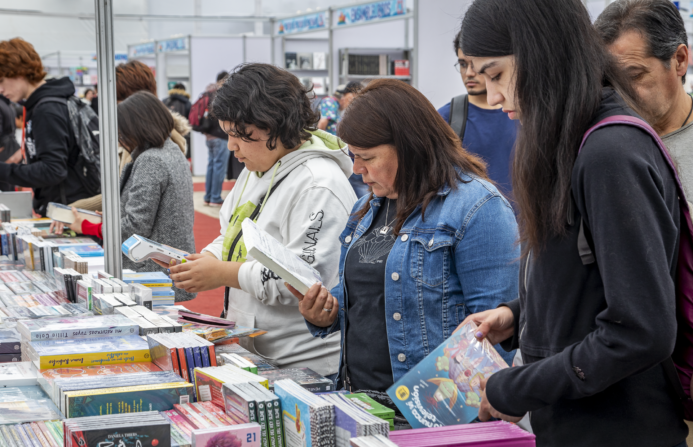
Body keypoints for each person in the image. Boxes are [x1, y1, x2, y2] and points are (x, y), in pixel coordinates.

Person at [456, 0, 688, 447]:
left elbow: (640, 328)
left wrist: (512, 389)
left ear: (541, 53)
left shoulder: (610, 151)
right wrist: (516, 315)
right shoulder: (573, 139)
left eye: (497, 76)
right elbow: (590, 279)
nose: (493, 98)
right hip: (574, 444)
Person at [289, 79, 518, 406]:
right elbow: (367, 293)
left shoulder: (477, 207)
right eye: (353, 156)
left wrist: (443, 414)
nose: (357, 169)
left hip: (430, 412)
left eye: (366, 156)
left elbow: (493, 335)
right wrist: (326, 313)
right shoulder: (366, 208)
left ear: (409, 145)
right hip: (360, 401)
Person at [163, 63, 358, 377]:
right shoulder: (259, 167)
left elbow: (304, 282)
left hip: (303, 364)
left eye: (243, 135)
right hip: (254, 350)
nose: (232, 147)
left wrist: (221, 273)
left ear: (278, 125)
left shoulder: (318, 184)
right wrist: (208, 258)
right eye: (227, 134)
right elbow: (233, 233)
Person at [595, 3, 693, 447]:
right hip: (630, 400)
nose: (623, 92)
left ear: (679, 60)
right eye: (610, 78)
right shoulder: (602, 146)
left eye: (635, 75)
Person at [55, 92, 195, 302]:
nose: (121, 139)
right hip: (162, 267)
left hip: (150, 272)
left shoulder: (151, 160)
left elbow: (135, 227)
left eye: (123, 132)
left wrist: (86, 226)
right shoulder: (170, 151)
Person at [0, 38, 92, 215]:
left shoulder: (47, 109)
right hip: (64, 209)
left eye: (1, 81)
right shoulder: (44, 104)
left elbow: (53, 170)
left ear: (19, 73)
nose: (0, 90)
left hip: (67, 213)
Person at [68, 61, 191, 212]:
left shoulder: (155, 147)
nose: (114, 107)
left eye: (118, 100)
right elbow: (124, 194)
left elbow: (137, 216)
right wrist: (75, 209)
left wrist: (95, 223)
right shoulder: (138, 139)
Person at [437, 31, 518, 201]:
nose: (469, 73)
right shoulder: (445, 119)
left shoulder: (523, 115)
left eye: (475, 64)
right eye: (463, 64)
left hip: (526, 224)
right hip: (470, 224)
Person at [193, 71, 230, 207]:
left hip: (209, 137)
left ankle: (208, 197)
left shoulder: (208, 92)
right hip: (220, 136)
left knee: (211, 166)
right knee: (219, 167)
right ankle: (215, 197)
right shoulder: (221, 94)